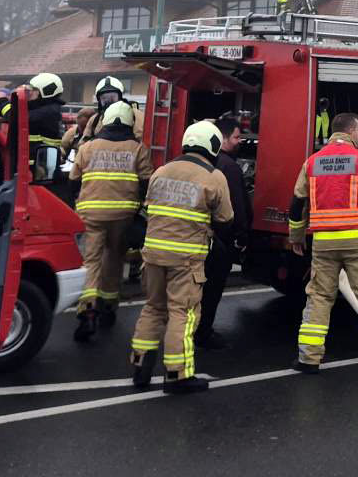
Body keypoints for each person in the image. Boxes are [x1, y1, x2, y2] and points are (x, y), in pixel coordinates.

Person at [289, 111, 358, 374]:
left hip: (323, 244)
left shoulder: (312, 162)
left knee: (318, 299)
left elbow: (297, 205)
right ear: (353, 131)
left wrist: (296, 237)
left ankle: (308, 359)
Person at [131, 121, 234, 393]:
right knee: (183, 313)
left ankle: (140, 368)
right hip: (186, 259)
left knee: (153, 308)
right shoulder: (213, 176)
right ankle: (178, 375)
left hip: (152, 254)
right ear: (212, 146)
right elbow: (226, 218)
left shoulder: (161, 171)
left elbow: (148, 207)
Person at [72, 101, 155, 343]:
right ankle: (108, 306)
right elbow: (147, 182)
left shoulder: (88, 147)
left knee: (91, 261)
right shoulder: (137, 148)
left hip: (90, 214)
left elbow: (73, 180)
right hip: (122, 216)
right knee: (114, 260)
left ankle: (87, 309)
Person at [194, 115, 252, 349]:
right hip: (219, 241)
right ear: (223, 138)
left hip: (191, 240)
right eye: (237, 137)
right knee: (212, 290)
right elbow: (235, 207)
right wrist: (242, 236)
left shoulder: (197, 164)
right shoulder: (229, 168)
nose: (240, 141)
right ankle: (203, 332)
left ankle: (192, 329)